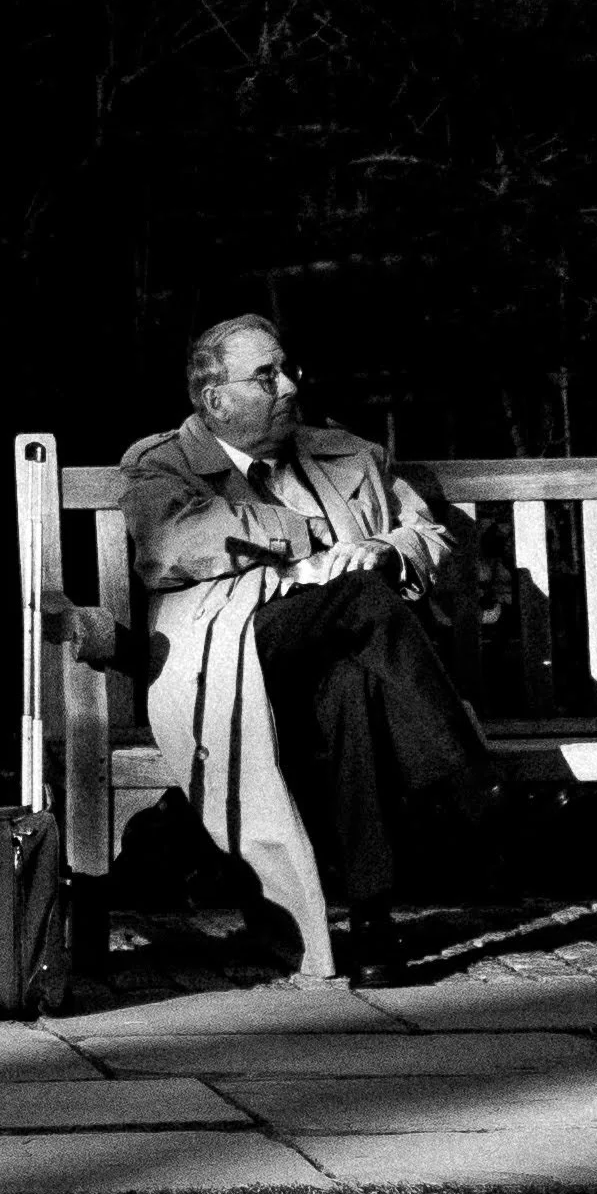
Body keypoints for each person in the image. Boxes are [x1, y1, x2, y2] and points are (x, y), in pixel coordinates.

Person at [119, 313, 495, 984]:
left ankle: (373, 923)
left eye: (288, 369)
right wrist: (311, 549)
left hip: (334, 665)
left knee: (354, 684)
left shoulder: (347, 454)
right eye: (267, 376)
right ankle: (460, 771)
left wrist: (383, 551)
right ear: (216, 399)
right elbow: (171, 543)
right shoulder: (164, 463)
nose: (290, 385)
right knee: (362, 597)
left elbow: (429, 535)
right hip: (233, 658)